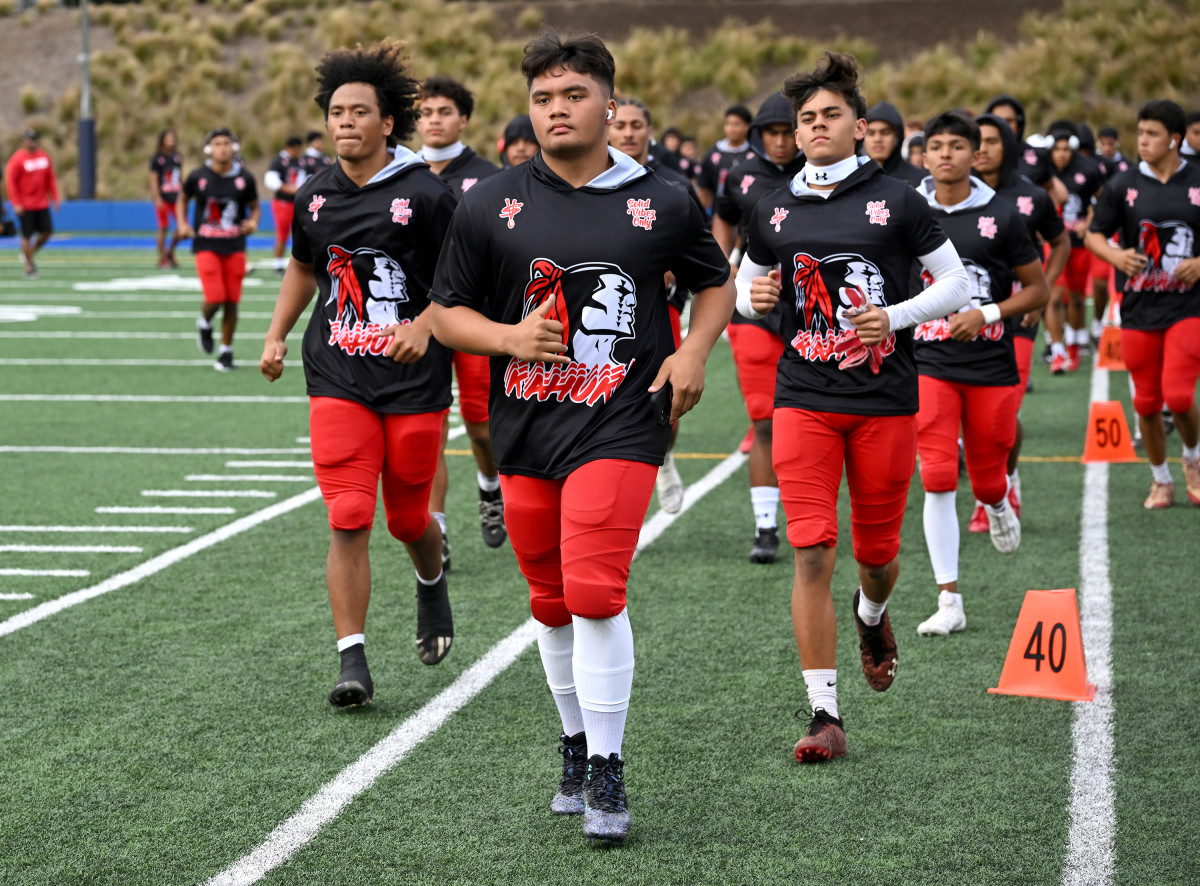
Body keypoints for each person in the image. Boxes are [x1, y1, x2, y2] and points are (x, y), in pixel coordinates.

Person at [428, 30, 735, 844]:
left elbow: (715, 283)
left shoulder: (663, 198)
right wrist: (506, 340)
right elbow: (446, 310)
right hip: (525, 422)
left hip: (621, 419)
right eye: (542, 98)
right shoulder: (489, 199)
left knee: (596, 590)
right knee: (549, 600)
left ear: (608, 100)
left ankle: (608, 766)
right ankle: (573, 743)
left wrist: (694, 350)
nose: (556, 110)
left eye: (571, 95)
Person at [736, 52, 969, 763]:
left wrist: (894, 317)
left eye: (830, 114)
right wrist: (758, 297)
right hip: (803, 396)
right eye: (805, 118)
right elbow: (746, 287)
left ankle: (874, 614)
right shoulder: (770, 203)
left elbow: (956, 286)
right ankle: (824, 713)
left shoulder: (898, 198)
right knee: (812, 551)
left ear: (861, 126)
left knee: (876, 556)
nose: (815, 126)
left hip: (884, 399)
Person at [259, 41, 457, 707]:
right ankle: (352, 658)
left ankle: (431, 584)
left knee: (406, 519)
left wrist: (425, 325)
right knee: (348, 513)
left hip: (414, 380)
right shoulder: (313, 195)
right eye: (335, 112)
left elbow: (463, 284)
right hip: (337, 372)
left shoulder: (428, 194)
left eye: (357, 112)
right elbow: (304, 265)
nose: (344, 122)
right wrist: (277, 332)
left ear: (385, 122)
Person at [910, 112, 1049, 636]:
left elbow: (1038, 290)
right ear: (922, 155)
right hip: (929, 359)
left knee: (990, 468)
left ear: (976, 154)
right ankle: (949, 598)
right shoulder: (906, 210)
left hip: (991, 361)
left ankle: (994, 501)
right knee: (939, 474)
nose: (945, 154)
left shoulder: (1003, 214)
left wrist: (987, 314)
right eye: (935, 146)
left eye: (956, 146)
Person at [1085, 99, 1200, 508]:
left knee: (1180, 395)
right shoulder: (1123, 185)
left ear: (1175, 139)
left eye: (1152, 134)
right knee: (1146, 402)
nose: (1143, 141)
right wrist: (1115, 256)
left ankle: (1192, 458)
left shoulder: (1198, 180)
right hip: (1138, 309)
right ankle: (1160, 479)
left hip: (1190, 307)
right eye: (1141, 132)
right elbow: (1093, 234)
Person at [711, 91, 807, 563]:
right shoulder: (742, 173)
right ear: (758, 134)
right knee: (765, 420)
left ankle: (811, 515)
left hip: (815, 311)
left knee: (814, 420)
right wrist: (722, 267)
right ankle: (766, 526)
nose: (783, 141)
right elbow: (724, 221)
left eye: (790, 130)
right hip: (753, 308)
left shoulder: (822, 174)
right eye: (773, 131)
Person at [416, 75, 507, 561]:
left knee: (480, 426)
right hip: (417, 320)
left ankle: (490, 484)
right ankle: (439, 531)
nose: (434, 119)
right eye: (426, 111)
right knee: (428, 428)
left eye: (444, 111)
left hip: (474, 314)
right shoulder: (400, 173)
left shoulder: (489, 175)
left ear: (463, 119)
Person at [970, 112, 1070, 531]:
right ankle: (987, 489)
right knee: (973, 418)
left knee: (1003, 412)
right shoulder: (949, 195)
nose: (982, 149)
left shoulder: (1031, 196)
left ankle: (1004, 482)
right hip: (965, 320)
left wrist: (1042, 289)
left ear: (1008, 145)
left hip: (1017, 317)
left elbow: (1061, 240)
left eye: (992, 140)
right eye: (976, 141)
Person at [609, 96, 700, 515]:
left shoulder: (673, 187)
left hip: (662, 307)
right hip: (605, 306)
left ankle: (663, 458)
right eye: (620, 124)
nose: (628, 132)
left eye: (636, 125)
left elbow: (703, 256)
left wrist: (669, 266)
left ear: (649, 132)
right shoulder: (593, 178)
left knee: (662, 399)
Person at [177, 128, 260, 372]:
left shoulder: (245, 177)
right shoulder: (198, 176)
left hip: (235, 244)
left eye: (226, 143)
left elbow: (255, 206)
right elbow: (182, 198)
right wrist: (182, 223)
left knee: (232, 301)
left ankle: (226, 351)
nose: (222, 148)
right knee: (216, 296)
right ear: (208, 149)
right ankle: (204, 321)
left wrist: (253, 221)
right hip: (206, 243)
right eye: (217, 143)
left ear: (234, 147)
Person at [1046, 123, 1106, 374]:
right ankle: (1057, 351)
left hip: (1079, 244)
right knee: (1055, 296)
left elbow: (1102, 200)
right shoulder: (1042, 170)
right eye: (1056, 149)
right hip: (1054, 242)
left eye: (1065, 149)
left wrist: (1090, 222)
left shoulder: (1087, 170)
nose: (1061, 154)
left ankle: (1073, 344)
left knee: (1077, 299)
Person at [5, 129, 60, 279]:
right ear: (24, 141)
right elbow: (11, 183)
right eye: (30, 139)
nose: (32, 142)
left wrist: (55, 197)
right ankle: (29, 266)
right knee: (27, 235)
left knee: (47, 231)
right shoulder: (17, 159)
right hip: (25, 204)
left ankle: (29, 252)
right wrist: (16, 202)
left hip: (42, 203)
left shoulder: (44, 157)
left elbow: (51, 179)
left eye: (35, 139)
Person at [695, 104, 753, 210]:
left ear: (747, 126)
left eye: (736, 124)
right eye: (728, 124)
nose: (731, 128)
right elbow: (704, 192)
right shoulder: (712, 155)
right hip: (719, 214)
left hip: (749, 215)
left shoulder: (755, 154)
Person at [264, 135, 307, 276]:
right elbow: (271, 180)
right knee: (282, 234)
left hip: (299, 202)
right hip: (283, 202)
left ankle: (302, 264)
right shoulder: (278, 161)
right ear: (291, 148)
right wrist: (290, 189)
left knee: (303, 234)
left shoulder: (300, 161)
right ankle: (278, 265)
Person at [864, 101, 924, 187]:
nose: (877, 139)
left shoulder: (919, 182)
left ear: (897, 136)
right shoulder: (854, 179)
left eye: (885, 133)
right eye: (871, 133)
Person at [149, 128, 183, 269]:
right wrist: (157, 197)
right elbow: (154, 179)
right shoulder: (157, 158)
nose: (171, 141)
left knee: (182, 228)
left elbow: (179, 177)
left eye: (173, 138)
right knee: (163, 226)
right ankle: (162, 257)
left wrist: (183, 194)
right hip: (163, 197)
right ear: (162, 140)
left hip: (176, 197)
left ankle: (170, 252)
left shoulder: (177, 157)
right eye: (168, 138)